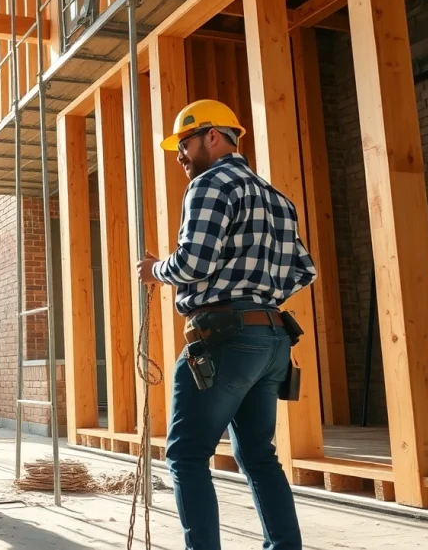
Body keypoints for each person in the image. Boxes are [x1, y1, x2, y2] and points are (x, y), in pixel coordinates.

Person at [134, 99, 316, 550]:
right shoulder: (279, 199)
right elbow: (305, 271)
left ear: (213, 136)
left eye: (184, 142)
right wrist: (259, 296)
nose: (179, 154)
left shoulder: (209, 184)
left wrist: (155, 270)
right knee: (258, 455)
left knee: (186, 454)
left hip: (224, 339)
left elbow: (194, 262)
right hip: (271, 339)